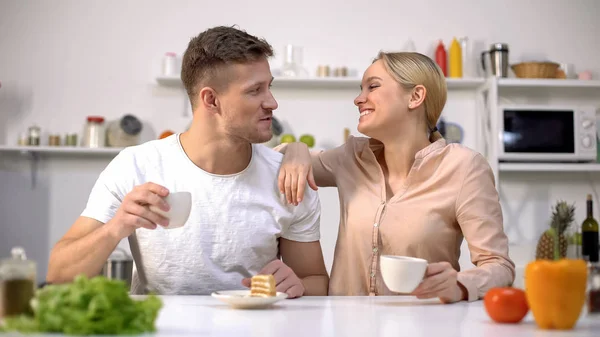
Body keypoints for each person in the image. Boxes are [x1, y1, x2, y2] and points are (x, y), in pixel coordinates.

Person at [46, 26, 329, 298]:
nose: (272, 103)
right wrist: (117, 226)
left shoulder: (288, 177)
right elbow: (59, 274)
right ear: (211, 100)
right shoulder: (135, 165)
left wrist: (299, 286)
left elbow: (315, 280)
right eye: (255, 91)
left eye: (269, 87)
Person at [276, 52, 515, 302]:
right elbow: (270, 162)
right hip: (346, 326)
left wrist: (460, 284)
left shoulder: (464, 167)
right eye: (361, 89)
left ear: (415, 96)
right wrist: (295, 149)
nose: (359, 99)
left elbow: (499, 266)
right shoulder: (350, 157)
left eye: (373, 86)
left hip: (422, 326)